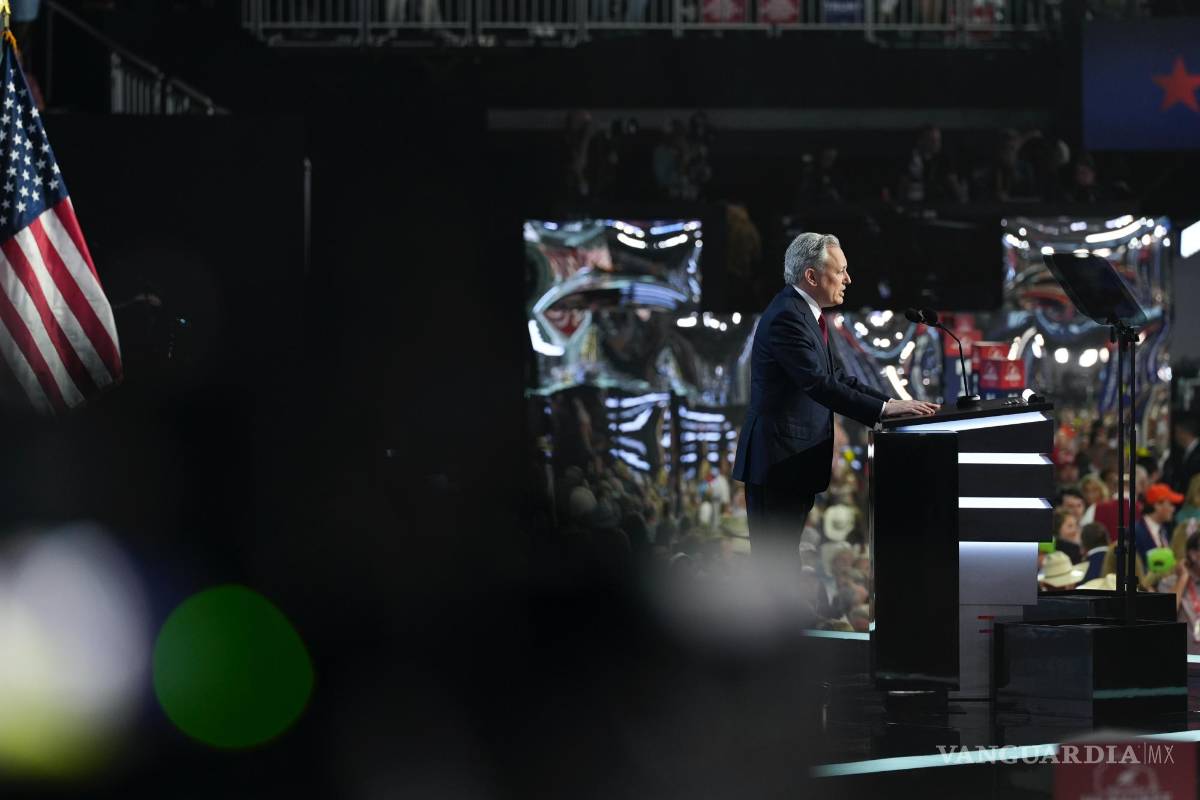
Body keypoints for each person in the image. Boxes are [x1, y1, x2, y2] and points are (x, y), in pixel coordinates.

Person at [731, 232, 938, 592]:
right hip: (778, 464)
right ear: (811, 276)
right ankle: (776, 644)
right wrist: (884, 410)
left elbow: (837, 377)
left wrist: (888, 405)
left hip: (789, 464)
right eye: (840, 271)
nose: (848, 279)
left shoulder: (805, 315)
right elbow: (819, 384)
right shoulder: (787, 317)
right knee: (775, 568)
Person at [1156, 531, 1200, 655]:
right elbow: (1164, 614)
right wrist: (1183, 578)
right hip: (1186, 661)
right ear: (1193, 555)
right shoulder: (1171, 583)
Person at [1134, 483, 1183, 570]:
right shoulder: (1135, 532)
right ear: (1157, 505)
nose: (1173, 509)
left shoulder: (1164, 531)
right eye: (1170, 504)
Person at [1166, 416, 1200, 496]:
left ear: (1184, 433)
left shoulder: (1198, 453)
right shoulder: (1183, 453)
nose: (1175, 436)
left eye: (1177, 432)